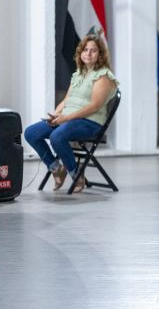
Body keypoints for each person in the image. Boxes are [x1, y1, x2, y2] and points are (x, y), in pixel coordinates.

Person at [24, 34, 119, 193]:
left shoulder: (104, 77)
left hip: (90, 123)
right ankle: (56, 168)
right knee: (31, 133)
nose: (88, 53)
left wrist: (66, 118)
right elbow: (66, 101)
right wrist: (55, 115)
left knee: (57, 136)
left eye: (93, 51)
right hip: (68, 120)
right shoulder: (78, 74)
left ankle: (76, 174)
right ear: (80, 52)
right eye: (85, 50)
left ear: (100, 55)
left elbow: (94, 106)